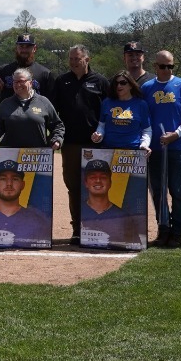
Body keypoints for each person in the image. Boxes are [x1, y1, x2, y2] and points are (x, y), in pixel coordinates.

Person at [141, 50, 181, 247]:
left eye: (170, 66)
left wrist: (175, 134)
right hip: (155, 149)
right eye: (162, 66)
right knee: (158, 191)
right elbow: (143, 117)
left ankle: (177, 231)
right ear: (155, 66)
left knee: (177, 191)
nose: (166, 70)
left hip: (177, 148)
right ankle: (163, 228)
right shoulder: (147, 87)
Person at [51, 45, 109, 242]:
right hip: (71, 144)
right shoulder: (62, 81)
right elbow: (53, 112)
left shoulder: (100, 82)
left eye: (78, 58)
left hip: (96, 145)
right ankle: (77, 228)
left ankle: (96, 227)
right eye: (71, 59)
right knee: (74, 187)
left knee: (95, 186)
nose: (74, 62)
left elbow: (109, 111)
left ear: (87, 59)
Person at [0, 69, 64, 149]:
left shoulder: (43, 102)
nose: (18, 85)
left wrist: (57, 139)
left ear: (30, 83)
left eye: (21, 81)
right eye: (15, 82)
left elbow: (57, 126)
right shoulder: (6, 103)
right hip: (9, 156)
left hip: (37, 156)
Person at [0, 158, 51, 241]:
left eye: (15, 179)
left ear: (23, 185)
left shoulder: (38, 221)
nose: (9, 184)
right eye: (3, 179)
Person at [92, 72, 154, 150]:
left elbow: (147, 130)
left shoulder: (141, 104)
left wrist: (144, 145)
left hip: (133, 151)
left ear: (131, 85)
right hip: (109, 150)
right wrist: (98, 136)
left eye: (123, 83)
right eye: (116, 83)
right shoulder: (107, 102)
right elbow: (101, 126)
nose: (119, 86)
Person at [0, 33, 54, 100]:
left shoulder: (45, 74)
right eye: (21, 46)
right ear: (16, 48)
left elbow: (51, 104)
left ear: (34, 48)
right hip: (8, 111)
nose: (24, 50)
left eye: (28, 47)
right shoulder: (3, 70)